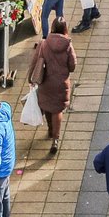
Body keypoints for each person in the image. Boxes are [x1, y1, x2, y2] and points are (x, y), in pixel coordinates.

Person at [29, 17, 76, 156]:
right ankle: (55, 139)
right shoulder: (68, 45)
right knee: (57, 110)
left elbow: (34, 62)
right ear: (65, 29)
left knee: (47, 106)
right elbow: (72, 66)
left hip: (46, 82)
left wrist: (30, 79)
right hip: (61, 84)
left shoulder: (44, 44)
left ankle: (50, 130)